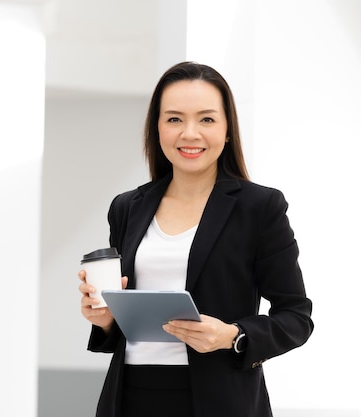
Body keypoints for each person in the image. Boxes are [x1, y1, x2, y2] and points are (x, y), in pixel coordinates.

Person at [78, 61, 314, 417]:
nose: (190, 133)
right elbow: (123, 320)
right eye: (174, 119)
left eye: (206, 119)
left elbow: (296, 317)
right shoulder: (127, 207)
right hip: (130, 396)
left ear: (227, 129)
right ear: (156, 128)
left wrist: (233, 336)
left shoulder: (260, 207)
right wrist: (106, 318)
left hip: (219, 400)